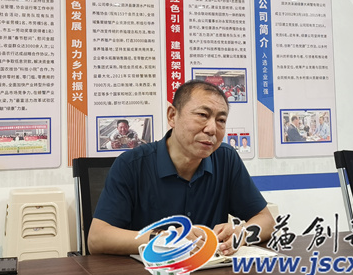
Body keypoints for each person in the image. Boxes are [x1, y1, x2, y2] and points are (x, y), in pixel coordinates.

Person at [88, 80, 274, 256]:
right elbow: (97, 239)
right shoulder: (132, 164)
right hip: (150, 271)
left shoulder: (225, 158)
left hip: (209, 270)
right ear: (172, 116)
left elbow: (266, 220)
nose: (212, 129)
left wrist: (242, 233)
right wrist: (165, 239)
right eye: (202, 115)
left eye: (221, 120)